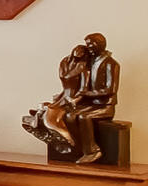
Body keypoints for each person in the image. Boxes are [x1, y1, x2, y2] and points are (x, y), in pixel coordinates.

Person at [23, 32, 120, 164]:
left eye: (91, 44)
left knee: (83, 117)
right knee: (69, 115)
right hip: (89, 104)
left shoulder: (111, 64)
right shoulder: (89, 61)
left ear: (100, 45)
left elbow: (110, 90)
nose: (88, 47)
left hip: (104, 106)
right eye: (87, 44)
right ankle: (74, 147)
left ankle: (92, 151)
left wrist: (87, 93)